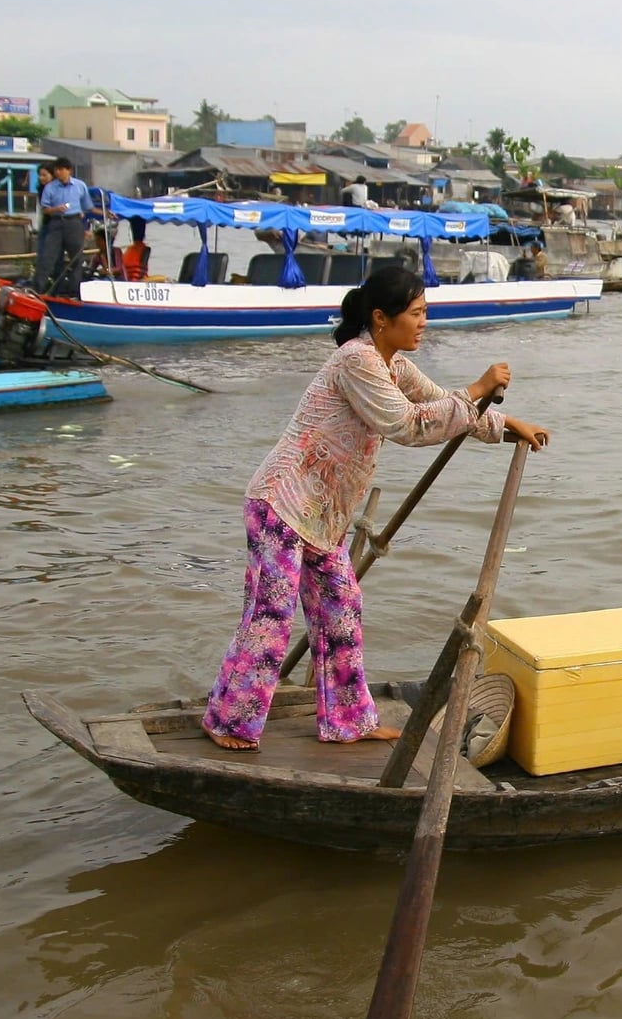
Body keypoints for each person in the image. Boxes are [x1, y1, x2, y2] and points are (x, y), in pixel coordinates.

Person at [200, 266, 551, 751]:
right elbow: (407, 424)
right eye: (417, 313)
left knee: (342, 610)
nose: (424, 322)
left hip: (322, 517)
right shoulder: (356, 361)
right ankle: (227, 720)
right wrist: (477, 387)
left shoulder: (394, 367)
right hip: (282, 503)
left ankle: (346, 721)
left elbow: (440, 404)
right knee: (270, 615)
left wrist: (509, 424)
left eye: (426, 312)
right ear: (382, 319)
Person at [37, 157, 90, 296]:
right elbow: (45, 209)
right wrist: (56, 209)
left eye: (60, 170)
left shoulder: (80, 186)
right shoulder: (50, 187)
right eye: (56, 170)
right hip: (56, 222)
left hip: (74, 223)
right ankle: (38, 288)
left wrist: (85, 225)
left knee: (76, 259)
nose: (58, 172)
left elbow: (87, 207)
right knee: (48, 257)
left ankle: (74, 291)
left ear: (69, 170)